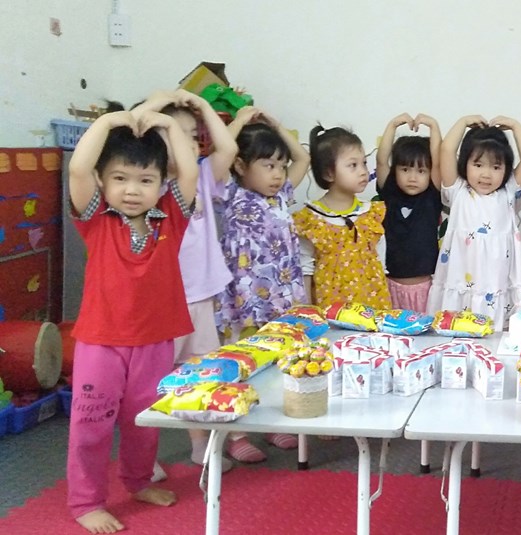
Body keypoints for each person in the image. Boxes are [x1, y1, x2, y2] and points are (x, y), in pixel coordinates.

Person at [66, 109, 198, 533]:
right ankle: (86, 501)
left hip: (154, 340)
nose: (132, 190)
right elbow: (78, 168)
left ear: (162, 183)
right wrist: (109, 122)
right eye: (120, 178)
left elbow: (189, 171)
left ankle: (138, 481)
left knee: (144, 421)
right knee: (91, 424)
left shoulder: (172, 217)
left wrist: (169, 125)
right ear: (102, 181)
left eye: (145, 180)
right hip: (100, 341)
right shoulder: (95, 220)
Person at [132, 89, 240, 473]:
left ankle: (200, 446)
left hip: (200, 297)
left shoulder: (204, 177)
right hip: (161, 301)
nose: (189, 142)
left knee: (198, 375)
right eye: (175, 134)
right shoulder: (148, 185)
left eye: (193, 135)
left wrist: (204, 106)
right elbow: (130, 128)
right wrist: (158, 105)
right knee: (149, 382)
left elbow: (228, 148)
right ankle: (144, 458)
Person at [215, 108, 310, 462]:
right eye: (268, 165)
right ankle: (237, 433)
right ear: (241, 165)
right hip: (244, 299)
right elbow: (220, 156)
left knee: (276, 360)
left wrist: (277, 126)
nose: (278, 173)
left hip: (282, 299)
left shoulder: (283, 194)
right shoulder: (229, 193)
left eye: (281, 166)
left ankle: (271, 423)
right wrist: (239, 122)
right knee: (239, 361)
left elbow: (303, 158)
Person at [427, 115, 521, 326]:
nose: (486, 174)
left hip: (494, 283)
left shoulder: (508, 193)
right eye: (478, 165)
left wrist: (516, 126)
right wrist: (462, 122)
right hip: (460, 279)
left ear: (506, 169)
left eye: (496, 167)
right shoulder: (458, 190)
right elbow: (446, 150)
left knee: (492, 333)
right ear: (464, 164)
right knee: (455, 330)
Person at [294, 125, 390, 309]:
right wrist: (307, 312)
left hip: (372, 308)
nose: (363, 171)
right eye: (353, 165)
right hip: (330, 311)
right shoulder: (312, 219)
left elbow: (381, 264)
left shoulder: (371, 215)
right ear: (328, 173)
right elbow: (305, 269)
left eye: (364, 163)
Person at [375, 113, 443, 311]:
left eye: (421, 171)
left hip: (425, 290)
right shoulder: (390, 193)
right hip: (390, 288)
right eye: (405, 169)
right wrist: (392, 125)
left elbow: (438, 162)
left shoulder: (432, 196)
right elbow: (381, 161)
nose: (412, 177)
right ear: (395, 170)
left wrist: (434, 126)